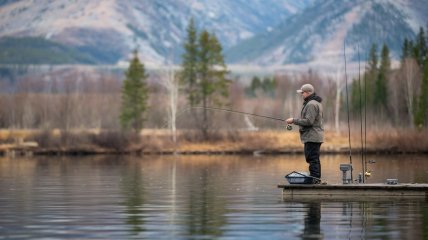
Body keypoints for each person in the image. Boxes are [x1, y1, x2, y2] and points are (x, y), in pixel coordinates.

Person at [286, 84, 324, 184]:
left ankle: (315, 180)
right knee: (314, 159)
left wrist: (294, 120)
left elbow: (309, 121)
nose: (301, 94)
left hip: (312, 136)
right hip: (314, 136)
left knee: (312, 159)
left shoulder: (311, 104)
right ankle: (316, 179)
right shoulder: (315, 103)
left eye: (302, 93)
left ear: (308, 93)